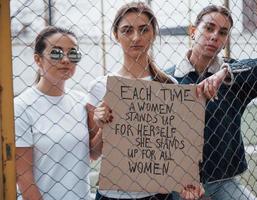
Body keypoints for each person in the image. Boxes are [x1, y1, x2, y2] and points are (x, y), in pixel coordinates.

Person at [86, 2, 230, 200]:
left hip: (157, 194)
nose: (136, 37)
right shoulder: (100, 86)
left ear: (153, 34)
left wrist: (188, 182)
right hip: (112, 194)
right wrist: (104, 127)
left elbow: (173, 145)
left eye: (143, 30)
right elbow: (93, 153)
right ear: (116, 35)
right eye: (127, 30)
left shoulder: (169, 85)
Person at [166, 5, 257, 200]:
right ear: (193, 32)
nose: (214, 36)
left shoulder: (233, 78)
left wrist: (226, 73)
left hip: (222, 182)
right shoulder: (168, 79)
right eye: (209, 28)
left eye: (222, 32)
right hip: (177, 185)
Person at [14, 26, 102, 200]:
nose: (65, 60)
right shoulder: (22, 106)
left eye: (73, 54)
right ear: (38, 60)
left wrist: (105, 127)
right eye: (56, 53)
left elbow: (94, 153)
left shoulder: (82, 101)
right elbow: (24, 177)